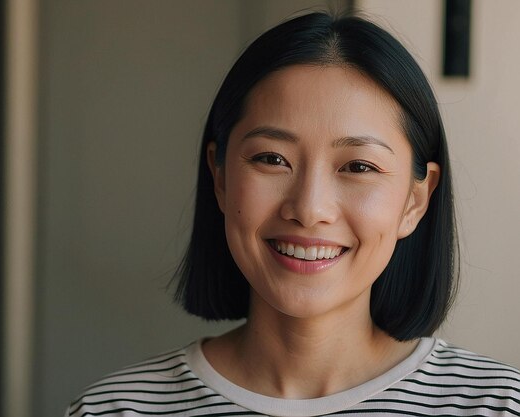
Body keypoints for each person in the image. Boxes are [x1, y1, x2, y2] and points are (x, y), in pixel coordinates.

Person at [66, 11, 520, 417]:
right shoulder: (115, 409)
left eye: (358, 166)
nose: (308, 208)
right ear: (220, 176)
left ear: (415, 201)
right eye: (271, 159)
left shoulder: (497, 405)